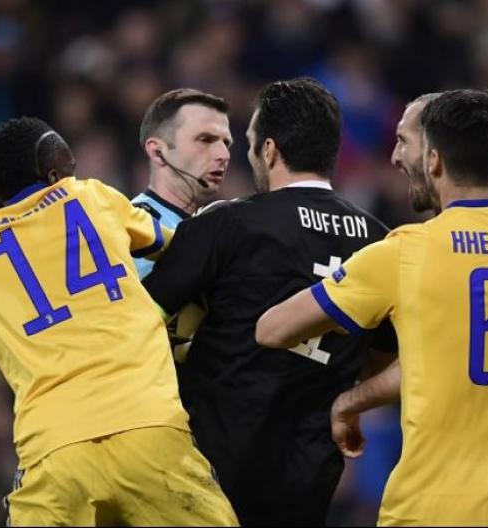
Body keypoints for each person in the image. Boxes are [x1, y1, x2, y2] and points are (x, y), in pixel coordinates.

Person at [257, 89, 488, 526]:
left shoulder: (405, 253)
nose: (394, 157)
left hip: (431, 507)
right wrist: (351, 402)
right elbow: (441, 362)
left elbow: (272, 329)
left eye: (403, 142)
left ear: (435, 160)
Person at [0, 117, 237, 526]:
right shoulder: (93, 197)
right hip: (152, 430)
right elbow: (178, 250)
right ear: (53, 175)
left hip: (57, 450)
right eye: (69, 167)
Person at [142, 78, 395, 526]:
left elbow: (139, 319)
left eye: (249, 142)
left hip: (209, 482)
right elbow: (383, 360)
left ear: (270, 150)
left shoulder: (229, 225)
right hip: (307, 484)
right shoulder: (381, 243)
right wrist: (347, 399)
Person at [132, 88, 232, 278]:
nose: (224, 155)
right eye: (205, 140)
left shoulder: (216, 228)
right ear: (158, 152)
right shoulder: (136, 230)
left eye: (226, 143)